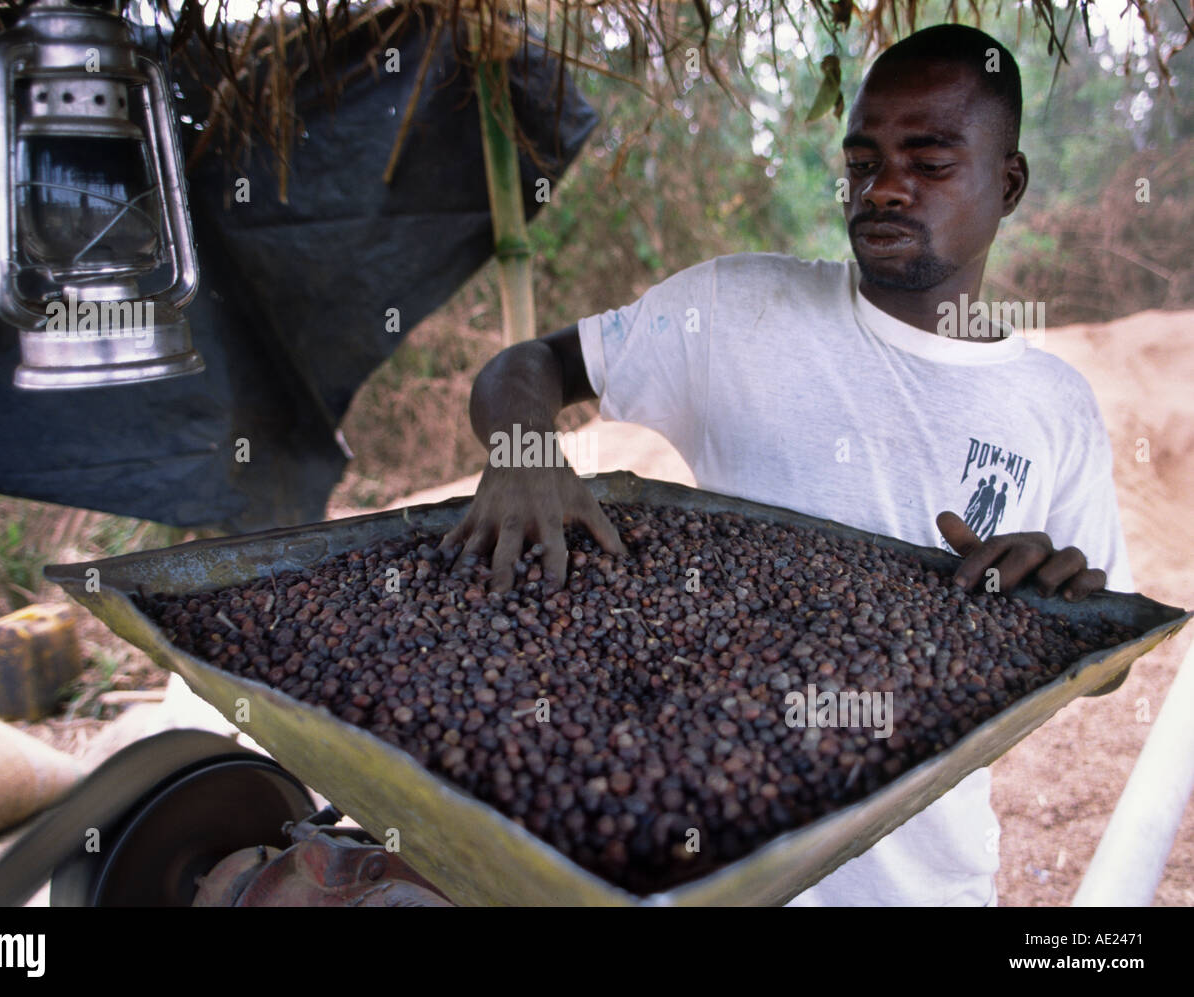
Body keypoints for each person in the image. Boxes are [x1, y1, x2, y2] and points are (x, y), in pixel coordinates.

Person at [439, 23, 1133, 906]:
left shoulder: (1054, 404)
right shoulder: (736, 308)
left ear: (1009, 182)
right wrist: (524, 449)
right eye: (863, 161)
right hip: (711, 865)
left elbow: (1111, 669)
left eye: (928, 161)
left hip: (924, 883)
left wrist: (1063, 600)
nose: (883, 188)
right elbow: (524, 367)